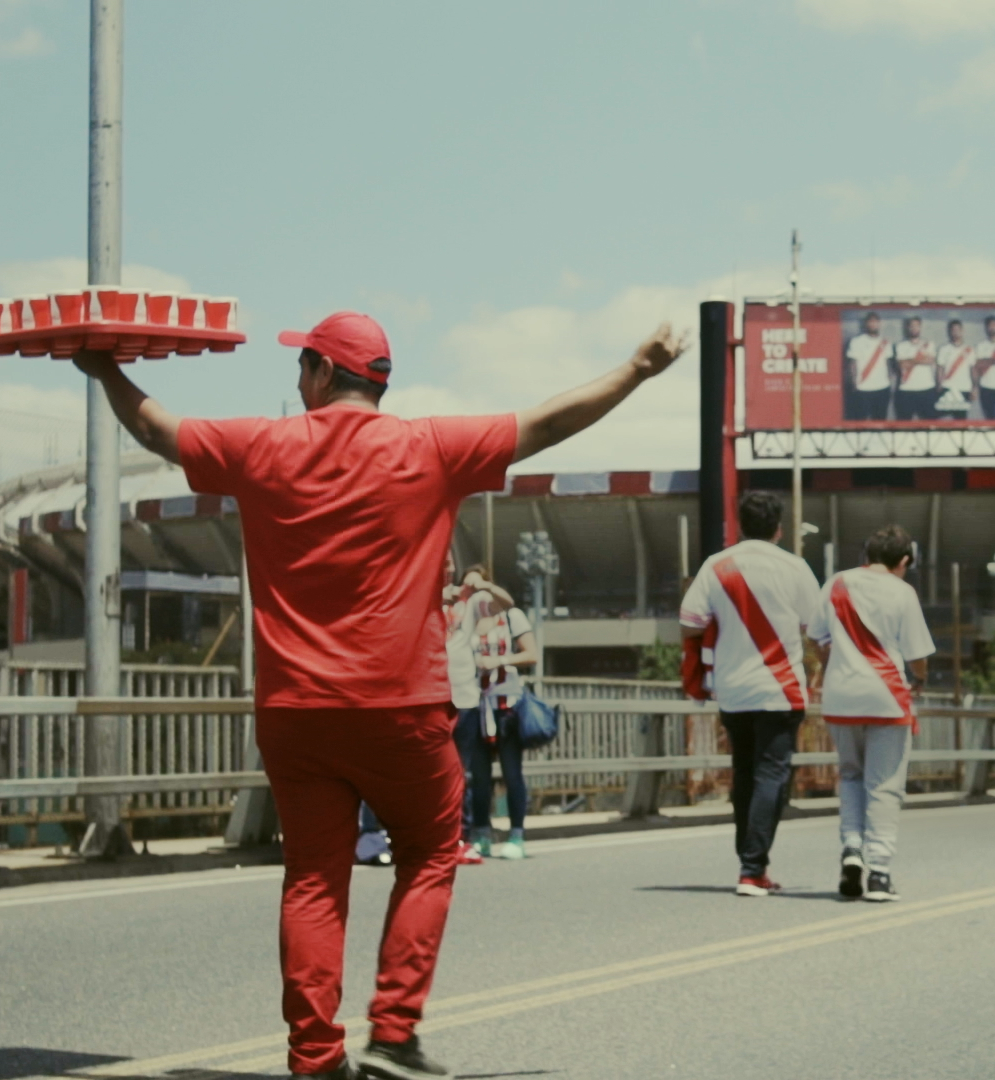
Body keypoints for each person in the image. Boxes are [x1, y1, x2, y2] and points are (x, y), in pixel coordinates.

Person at [77, 310, 686, 1080]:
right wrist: (637, 369)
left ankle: (314, 1056)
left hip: (294, 712)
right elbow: (547, 423)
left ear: (325, 374)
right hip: (402, 707)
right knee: (432, 851)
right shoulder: (427, 446)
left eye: (303, 366)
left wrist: (105, 371)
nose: (296, 380)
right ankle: (393, 1036)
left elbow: (159, 430)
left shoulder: (262, 446)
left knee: (312, 877)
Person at [679, 491, 822, 897]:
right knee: (772, 774)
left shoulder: (716, 566)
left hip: (733, 687)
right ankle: (752, 867)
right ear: (779, 527)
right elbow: (815, 628)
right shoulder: (794, 567)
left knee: (744, 773)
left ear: (740, 525)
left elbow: (689, 621)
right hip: (780, 688)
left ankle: (751, 864)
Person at [807, 525, 935, 902]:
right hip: (887, 697)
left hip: (841, 696)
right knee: (884, 786)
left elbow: (816, 638)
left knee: (849, 776)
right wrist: (921, 679)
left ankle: (851, 850)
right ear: (904, 561)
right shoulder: (903, 592)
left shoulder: (836, 584)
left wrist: (833, 664)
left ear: (867, 555)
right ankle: (878, 871)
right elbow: (917, 654)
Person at [442, 565, 515, 867]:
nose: (449, 567)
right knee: (429, 773)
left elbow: (507, 603)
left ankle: (461, 837)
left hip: (464, 697)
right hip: (428, 695)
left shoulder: (471, 604)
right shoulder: (428, 596)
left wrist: (483, 584)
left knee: (460, 774)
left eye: (450, 562)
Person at [459, 593, 538, 858]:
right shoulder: (464, 621)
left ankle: (517, 834)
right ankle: (481, 832)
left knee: (511, 772)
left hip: (506, 706)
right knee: (478, 776)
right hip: (475, 706)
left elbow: (531, 654)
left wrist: (499, 661)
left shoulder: (510, 616)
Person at [842, 311, 894, 422]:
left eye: (875, 322)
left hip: (882, 387)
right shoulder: (856, 341)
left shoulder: (885, 342)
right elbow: (852, 364)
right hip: (862, 388)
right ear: (866, 324)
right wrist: (853, 382)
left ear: (879, 324)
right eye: (870, 322)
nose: (873, 325)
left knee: (880, 420)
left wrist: (889, 382)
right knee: (860, 420)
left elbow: (888, 364)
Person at [892, 316, 939, 420]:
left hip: (927, 389)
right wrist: (921, 359)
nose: (914, 328)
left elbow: (930, 361)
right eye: (911, 326)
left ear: (920, 327)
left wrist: (909, 360)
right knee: (904, 425)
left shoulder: (929, 344)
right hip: (906, 390)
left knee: (930, 424)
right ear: (908, 328)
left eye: (917, 326)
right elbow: (901, 365)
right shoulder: (900, 345)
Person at [934, 319, 975, 418]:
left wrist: (974, 388)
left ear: (962, 331)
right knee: (937, 415)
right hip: (947, 387)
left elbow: (972, 370)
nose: (955, 332)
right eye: (953, 330)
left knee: (960, 419)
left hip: (964, 388)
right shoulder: (944, 349)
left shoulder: (969, 349)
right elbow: (940, 368)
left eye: (958, 330)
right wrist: (939, 384)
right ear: (950, 332)